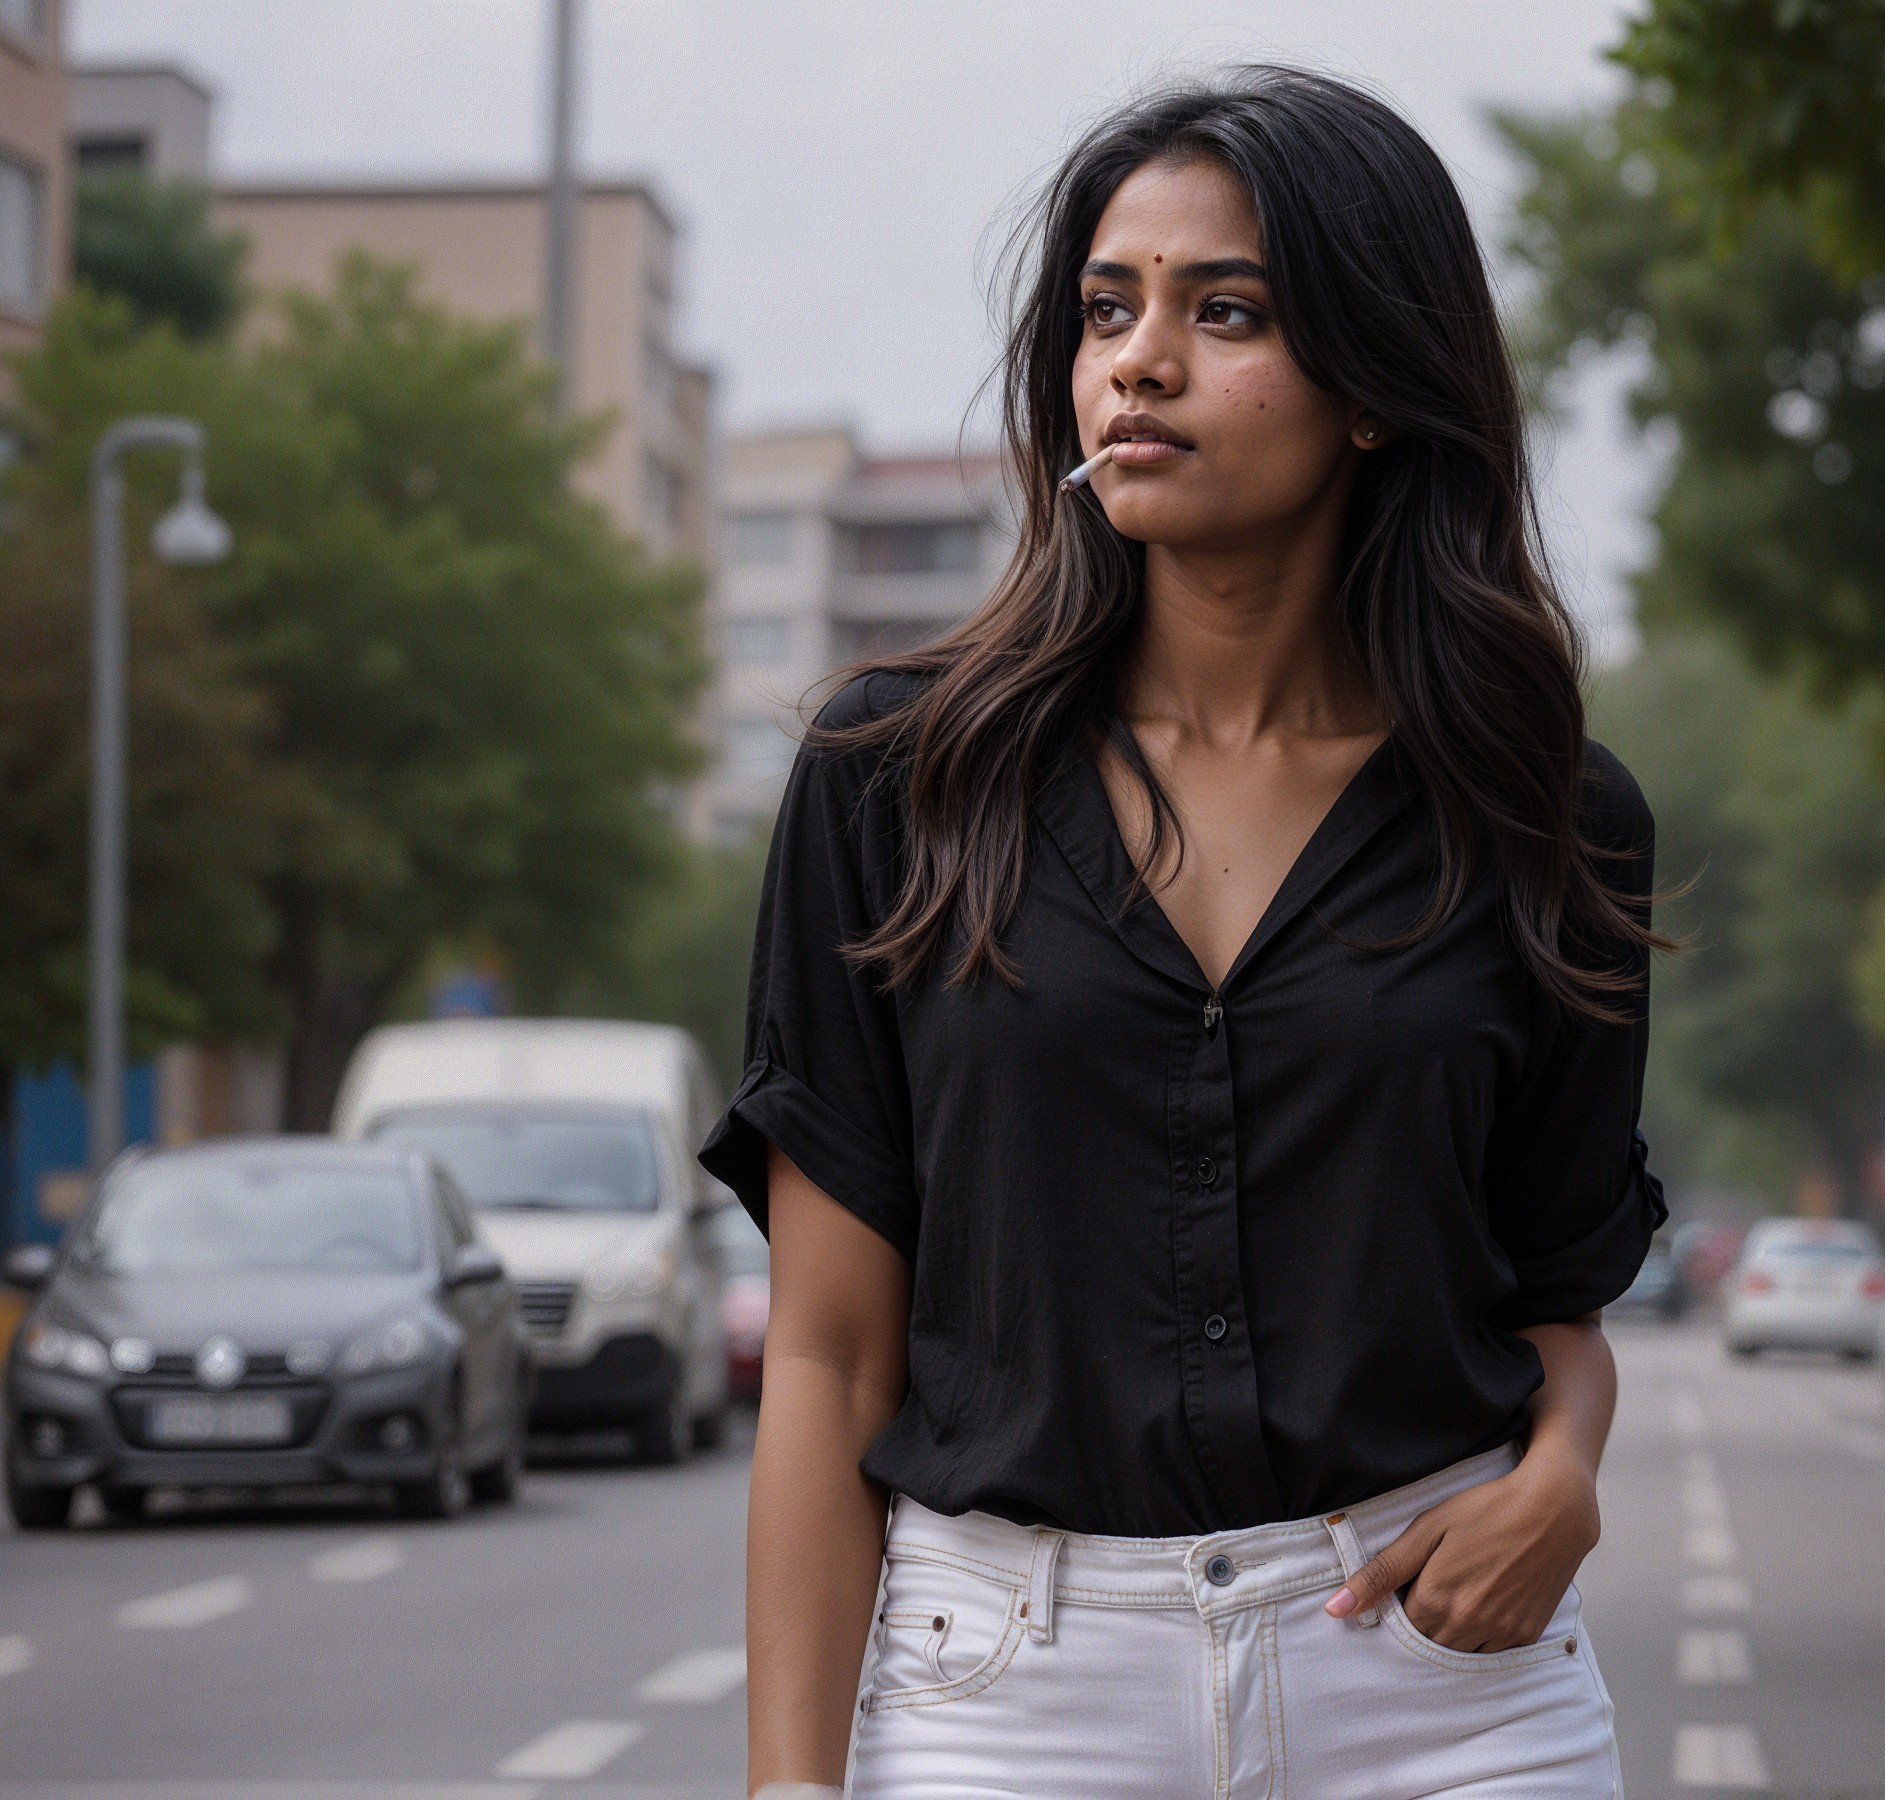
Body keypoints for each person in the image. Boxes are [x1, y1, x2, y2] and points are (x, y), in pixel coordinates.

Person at [708, 66, 1666, 1800]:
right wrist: (790, 1787)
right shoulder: (895, 782)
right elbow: (832, 1353)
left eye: (1226, 312)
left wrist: (1564, 1471)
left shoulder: (1545, 814)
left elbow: (1549, 1298)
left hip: (1439, 1690)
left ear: (1376, 387)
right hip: (1014, 1699)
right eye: (1105, 309)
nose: (1140, 360)